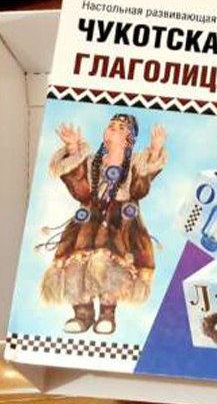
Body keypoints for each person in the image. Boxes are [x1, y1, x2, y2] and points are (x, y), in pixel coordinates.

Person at [40, 113, 167, 335]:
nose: (113, 131)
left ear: (129, 139)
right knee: (77, 264)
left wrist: (154, 152)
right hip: (89, 221)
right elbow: (81, 192)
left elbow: (139, 190)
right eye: (111, 127)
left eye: (120, 128)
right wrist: (73, 149)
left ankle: (107, 314)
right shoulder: (92, 162)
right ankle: (82, 313)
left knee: (111, 264)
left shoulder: (134, 164)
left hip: (120, 224)